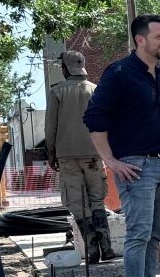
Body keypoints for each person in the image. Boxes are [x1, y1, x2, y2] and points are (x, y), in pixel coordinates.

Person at [84, 15, 160, 277]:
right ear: (141, 40)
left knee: (155, 235)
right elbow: (94, 117)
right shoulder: (119, 73)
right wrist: (110, 161)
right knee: (138, 235)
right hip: (135, 167)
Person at [45, 50, 114, 264]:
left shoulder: (57, 92)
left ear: (65, 68)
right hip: (94, 153)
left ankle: (92, 249)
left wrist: (51, 153)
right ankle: (106, 246)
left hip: (67, 156)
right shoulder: (96, 90)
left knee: (78, 203)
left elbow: (51, 127)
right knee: (97, 201)